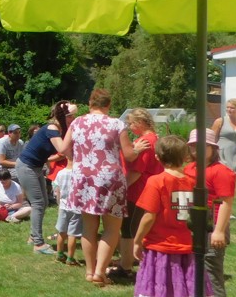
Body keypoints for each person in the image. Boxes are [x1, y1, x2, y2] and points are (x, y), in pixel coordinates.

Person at [131, 135, 222, 297]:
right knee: (190, 293)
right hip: (188, 248)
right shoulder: (194, 183)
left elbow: (149, 216)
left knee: (162, 293)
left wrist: (137, 240)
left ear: (157, 157)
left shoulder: (156, 181)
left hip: (161, 247)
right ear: (185, 156)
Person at [62, 88, 142, 286]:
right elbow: (129, 155)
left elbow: (63, 149)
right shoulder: (116, 124)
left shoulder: (77, 122)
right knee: (111, 228)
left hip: (83, 178)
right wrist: (138, 149)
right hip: (109, 179)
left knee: (89, 228)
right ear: (108, 105)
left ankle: (89, 272)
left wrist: (79, 161)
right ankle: (100, 273)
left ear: (90, 104)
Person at [185, 128, 236, 297]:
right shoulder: (190, 169)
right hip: (193, 225)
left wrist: (219, 231)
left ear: (212, 148)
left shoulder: (220, 171)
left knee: (211, 273)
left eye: (201, 146)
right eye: (193, 146)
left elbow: (226, 202)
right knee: (193, 271)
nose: (196, 149)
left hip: (212, 227)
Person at [15, 102, 75, 255]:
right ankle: (38, 244)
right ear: (62, 117)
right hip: (26, 167)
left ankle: (33, 236)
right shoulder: (52, 129)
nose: (73, 119)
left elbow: (62, 151)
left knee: (44, 202)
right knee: (38, 203)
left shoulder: (59, 130)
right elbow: (62, 149)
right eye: (70, 116)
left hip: (35, 167)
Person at [114, 108, 164, 279]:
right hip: (149, 189)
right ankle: (131, 260)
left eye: (131, 123)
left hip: (138, 190)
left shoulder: (145, 141)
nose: (129, 127)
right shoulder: (155, 139)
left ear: (140, 123)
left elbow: (137, 171)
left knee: (128, 228)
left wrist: (123, 187)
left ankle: (126, 267)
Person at [52, 157, 83, 265]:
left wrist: (59, 203)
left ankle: (59, 254)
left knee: (61, 231)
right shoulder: (80, 173)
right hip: (77, 208)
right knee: (72, 234)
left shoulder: (60, 173)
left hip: (63, 206)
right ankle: (70, 258)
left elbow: (57, 190)